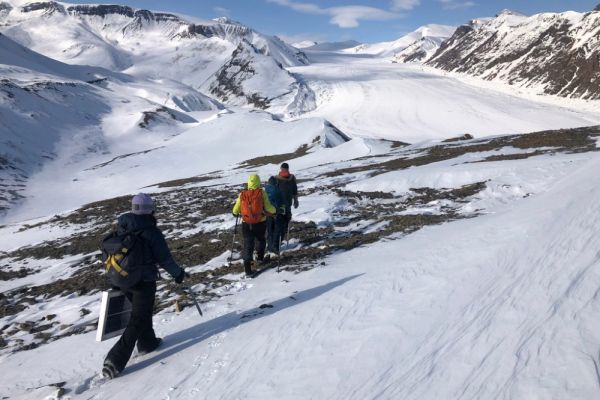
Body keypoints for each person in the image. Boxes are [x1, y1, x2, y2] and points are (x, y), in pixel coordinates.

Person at [102, 193, 186, 379]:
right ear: (150, 209)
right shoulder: (151, 231)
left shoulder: (123, 226)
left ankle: (147, 342)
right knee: (138, 318)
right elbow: (164, 258)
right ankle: (114, 360)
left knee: (142, 312)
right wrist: (178, 273)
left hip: (122, 280)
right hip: (143, 281)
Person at [232, 174, 276, 276]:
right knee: (261, 240)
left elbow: (235, 210)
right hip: (260, 222)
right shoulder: (261, 193)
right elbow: (269, 207)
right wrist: (274, 211)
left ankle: (248, 269)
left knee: (248, 244)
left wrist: (235, 213)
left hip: (246, 223)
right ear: (258, 182)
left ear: (249, 183)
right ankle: (259, 258)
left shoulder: (242, 194)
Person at [273, 162, 299, 242]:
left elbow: (273, 192)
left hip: (279, 205)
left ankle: (277, 242)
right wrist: (296, 200)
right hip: (288, 204)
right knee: (286, 222)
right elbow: (295, 190)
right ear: (288, 169)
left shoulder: (276, 178)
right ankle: (281, 238)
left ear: (281, 169)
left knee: (278, 223)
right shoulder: (292, 178)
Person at [264, 176, 285, 256]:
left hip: (268, 213)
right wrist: (282, 211)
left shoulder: (265, 190)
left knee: (269, 230)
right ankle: (275, 246)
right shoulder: (278, 190)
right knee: (277, 230)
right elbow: (282, 202)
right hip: (277, 212)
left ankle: (269, 246)